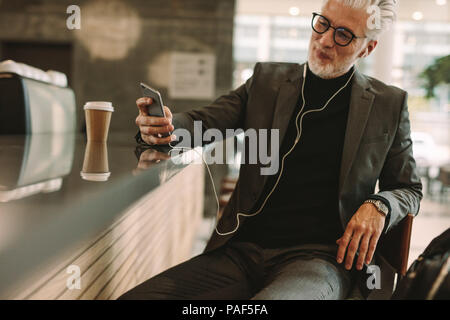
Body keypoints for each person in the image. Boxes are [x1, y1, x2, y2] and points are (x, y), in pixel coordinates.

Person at [120, 0, 422, 300]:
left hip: (318, 262)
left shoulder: (388, 104)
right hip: (239, 253)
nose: (325, 40)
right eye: (323, 23)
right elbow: (204, 122)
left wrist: (380, 204)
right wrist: (165, 129)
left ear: (367, 48)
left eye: (343, 34)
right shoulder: (267, 81)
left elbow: (408, 188)